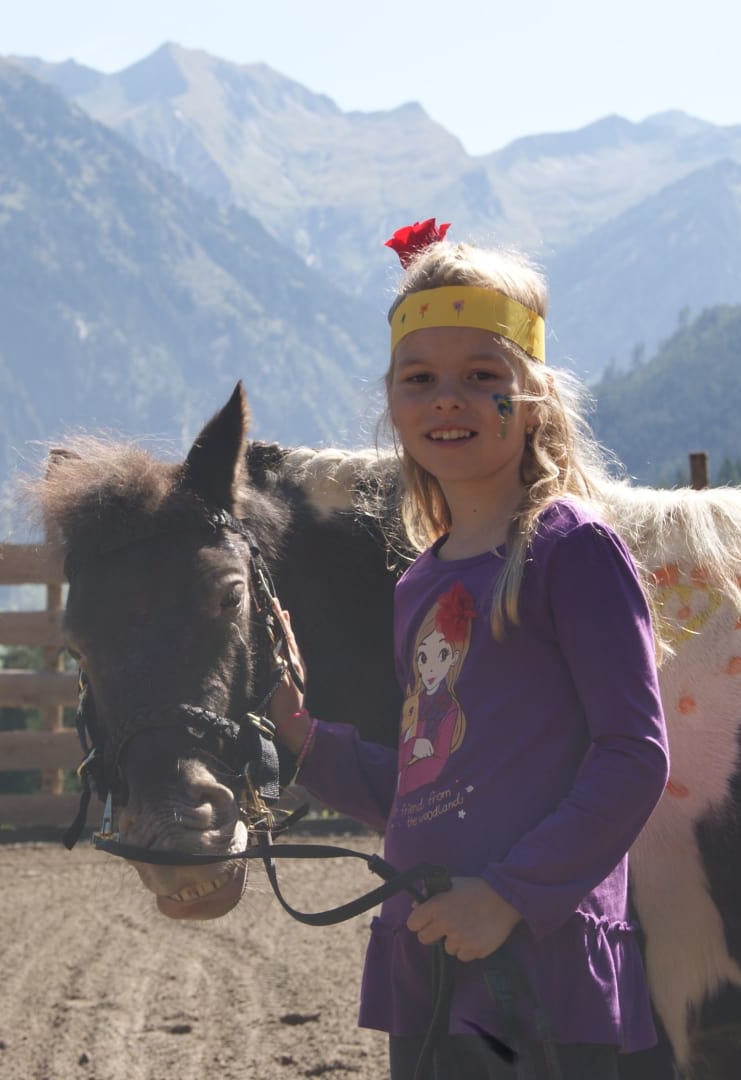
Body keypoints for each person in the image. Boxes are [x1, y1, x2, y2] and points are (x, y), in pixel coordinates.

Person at [269, 219, 671, 1080]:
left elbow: (634, 754)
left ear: (536, 398)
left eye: (482, 376)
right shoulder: (421, 582)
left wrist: (508, 897)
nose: (446, 398)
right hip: (433, 960)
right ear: (392, 403)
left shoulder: (571, 548)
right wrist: (300, 734)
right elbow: (426, 786)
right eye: (420, 378)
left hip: (539, 969)